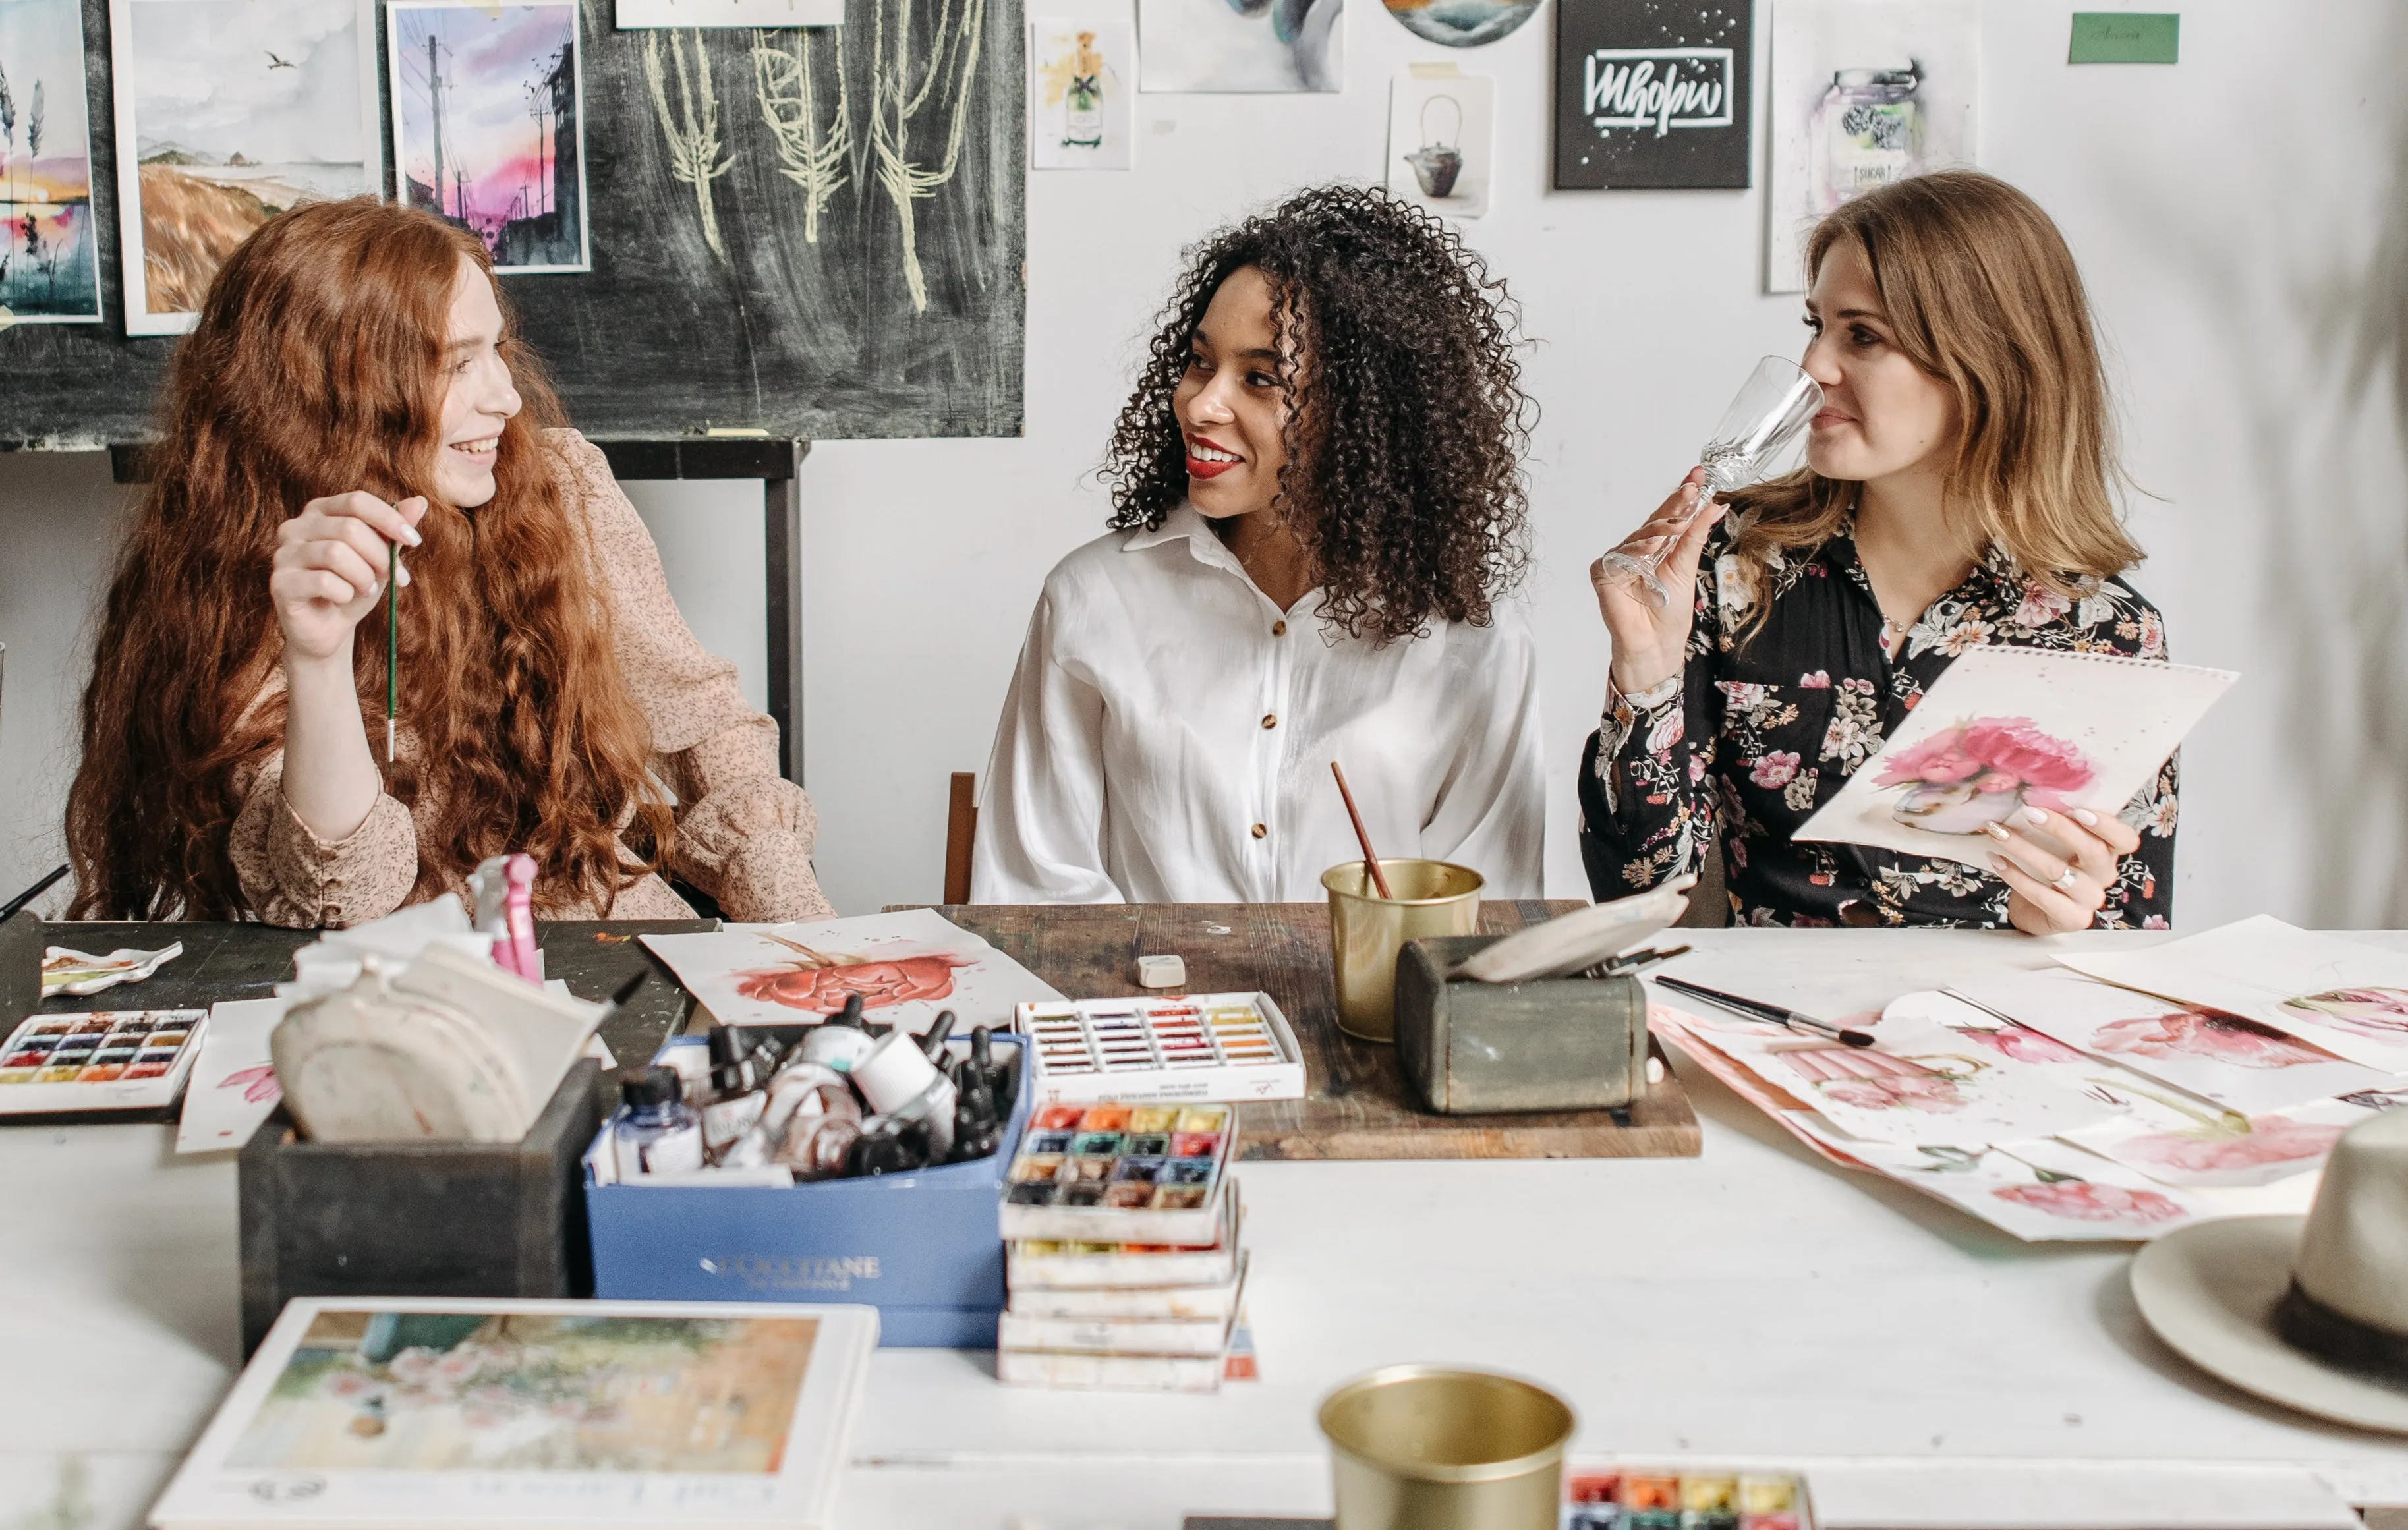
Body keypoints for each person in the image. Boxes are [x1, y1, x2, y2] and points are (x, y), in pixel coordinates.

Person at [65, 200, 835, 926]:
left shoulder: (559, 484)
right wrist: (321, 658)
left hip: (612, 958)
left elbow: (702, 723)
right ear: (337, 398)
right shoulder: (262, 575)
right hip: (407, 1012)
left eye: (496, 351)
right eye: (454, 364)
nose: (505, 396)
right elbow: (344, 892)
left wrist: (811, 938)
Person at [1582, 171, 2175, 933]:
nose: (1815, 368)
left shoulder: (2106, 634)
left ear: (1987, 360)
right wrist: (1643, 675)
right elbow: (1638, 894)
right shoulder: (1732, 567)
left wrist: (2071, 928)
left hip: (1987, 1036)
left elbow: (2137, 939)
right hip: (1772, 1024)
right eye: (1816, 326)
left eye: (1862, 335)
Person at [973, 185, 1545, 903]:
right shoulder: (1092, 598)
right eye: (1201, 362)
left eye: (1262, 378)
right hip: (1150, 1012)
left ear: (1370, 412)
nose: (1202, 404)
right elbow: (1033, 893)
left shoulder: (1473, 635)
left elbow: (1486, 917)